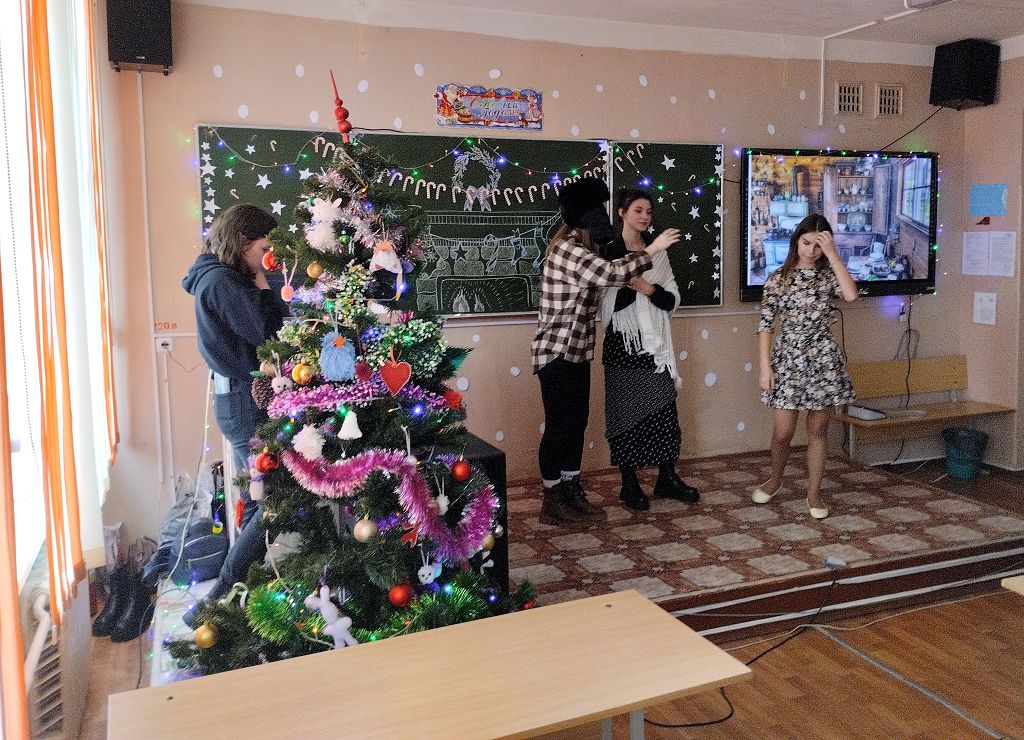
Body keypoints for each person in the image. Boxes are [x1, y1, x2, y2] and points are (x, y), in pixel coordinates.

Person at [532, 177, 680, 528]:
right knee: (559, 426)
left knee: (576, 425)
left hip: (578, 351)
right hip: (556, 352)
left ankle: (571, 491)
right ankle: (553, 499)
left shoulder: (584, 247)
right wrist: (653, 249)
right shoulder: (568, 249)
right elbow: (612, 274)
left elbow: (619, 268)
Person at [181, 204, 289, 624]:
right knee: (272, 501)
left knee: (257, 498)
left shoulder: (217, 277)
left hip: (240, 401)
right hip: (246, 404)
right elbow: (269, 334)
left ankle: (240, 595)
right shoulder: (224, 283)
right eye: (263, 249)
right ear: (243, 242)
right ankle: (217, 602)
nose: (268, 258)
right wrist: (263, 284)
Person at [752, 213, 858, 519]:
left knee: (818, 430)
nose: (812, 250)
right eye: (806, 242)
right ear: (796, 242)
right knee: (783, 432)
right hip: (788, 358)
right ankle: (775, 479)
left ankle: (814, 493)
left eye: (818, 245)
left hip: (823, 360)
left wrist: (833, 254)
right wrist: (765, 366)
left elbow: (851, 295)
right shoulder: (778, 278)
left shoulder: (828, 276)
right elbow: (765, 325)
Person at [600, 188, 699, 511]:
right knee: (625, 416)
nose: (645, 217)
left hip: (655, 348)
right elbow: (609, 304)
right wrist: (637, 287)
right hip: (623, 344)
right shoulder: (609, 251)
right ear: (622, 213)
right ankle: (629, 483)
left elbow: (670, 299)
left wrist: (646, 287)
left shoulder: (659, 254)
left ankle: (666, 477)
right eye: (638, 210)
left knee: (664, 411)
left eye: (649, 212)